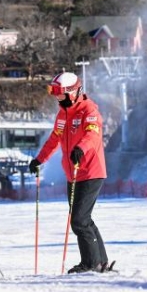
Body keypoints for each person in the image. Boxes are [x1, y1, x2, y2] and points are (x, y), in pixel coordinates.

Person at [29, 72, 110, 274]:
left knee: (79, 220)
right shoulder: (63, 114)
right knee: (84, 219)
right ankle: (101, 261)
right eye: (54, 93)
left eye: (60, 94)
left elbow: (92, 134)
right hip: (72, 173)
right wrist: (40, 159)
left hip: (90, 170)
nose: (57, 97)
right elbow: (54, 139)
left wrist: (81, 148)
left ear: (73, 93)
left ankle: (91, 263)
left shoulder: (88, 110)